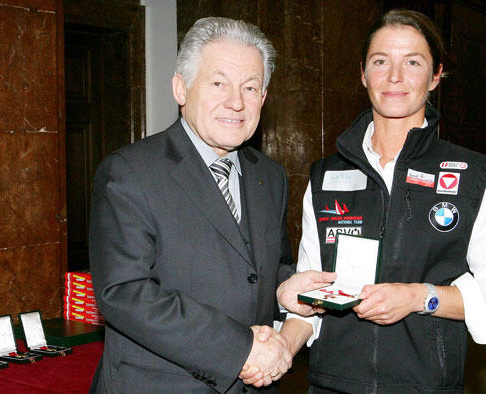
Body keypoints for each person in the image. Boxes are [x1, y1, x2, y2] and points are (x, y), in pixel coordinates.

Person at [263, 8, 486, 393]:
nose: (395, 76)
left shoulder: (474, 175)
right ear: (363, 73)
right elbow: (314, 293)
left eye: (412, 62)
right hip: (332, 382)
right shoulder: (324, 176)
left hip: (425, 383)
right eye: (381, 61)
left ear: (436, 76)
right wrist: (283, 344)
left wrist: (420, 297)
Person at [88, 17, 337, 393]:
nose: (236, 102)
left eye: (250, 87)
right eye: (218, 83)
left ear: (264, 98)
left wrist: (287, 286)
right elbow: (124, 293)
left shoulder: (268, 175)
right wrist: (240, 349)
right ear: (181, 88)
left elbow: (260, 266)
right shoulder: (129, 172)